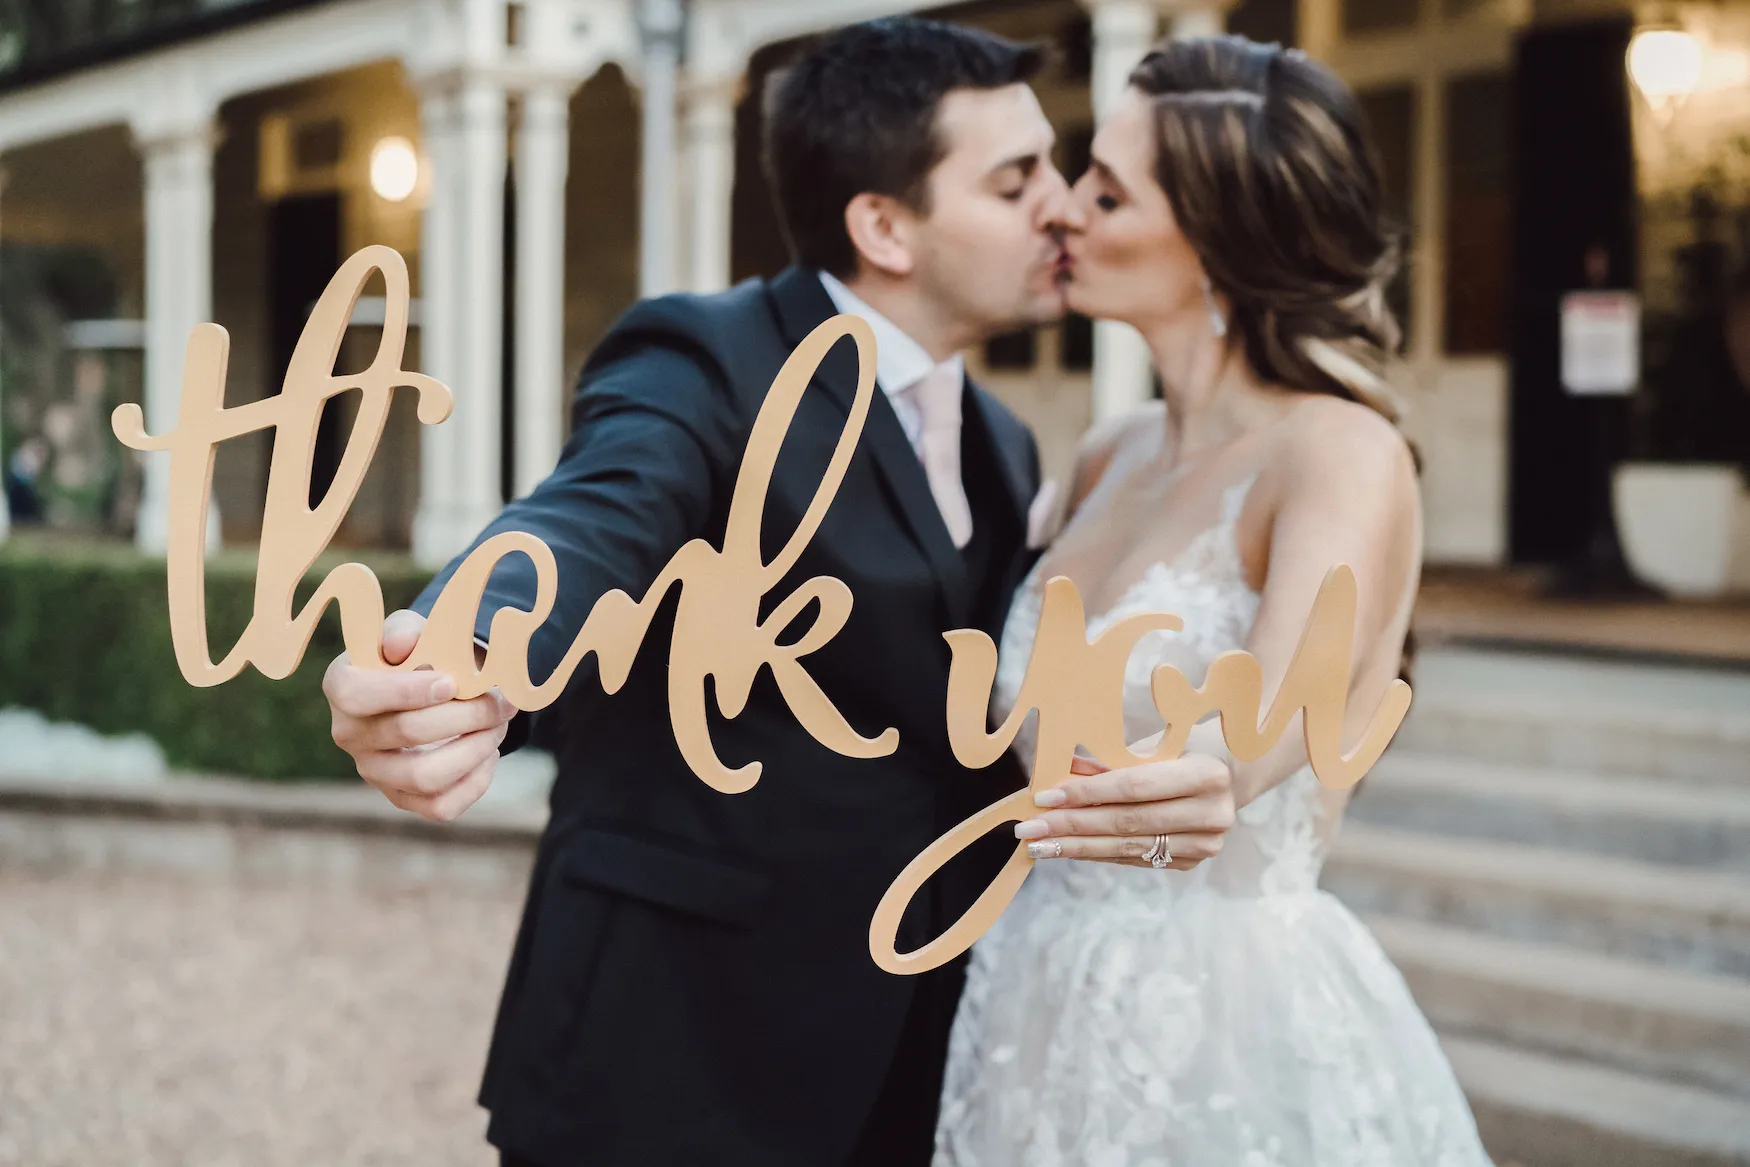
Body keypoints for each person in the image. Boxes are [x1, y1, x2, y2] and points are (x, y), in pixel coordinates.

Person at [321, 19, 1236, 1167]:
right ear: (883, 226)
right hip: (672, 1057)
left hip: (907, 1059)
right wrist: (465, 657)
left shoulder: (1003, 445)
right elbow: (590, 522)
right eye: (1016, 183)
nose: (1062, 206)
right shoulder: (703, 362)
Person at [933, 36, 1494, 1166]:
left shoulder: (1337, 451)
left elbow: (1285, 711)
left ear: (1215, 237)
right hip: (1030, 989)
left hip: (1222, 1019)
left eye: (1105, 190)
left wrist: (1214, 777)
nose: (1064, 213)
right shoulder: (1104, 455)